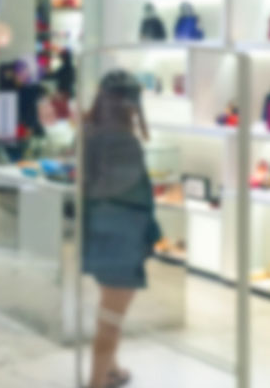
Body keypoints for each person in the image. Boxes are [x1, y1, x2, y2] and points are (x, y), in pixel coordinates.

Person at [82, 70, 160, 388]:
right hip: (121, 235)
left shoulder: (90, 131)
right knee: (111, 319)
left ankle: (111, 370)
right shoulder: (122, 140)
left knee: (109, 310)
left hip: (99, 230)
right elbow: (121, 191)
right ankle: (97, 381)